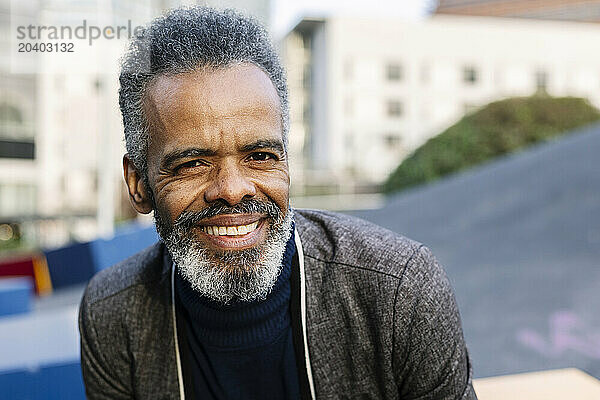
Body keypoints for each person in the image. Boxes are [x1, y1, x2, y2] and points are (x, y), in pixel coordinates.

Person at [79, 6, 477, 400]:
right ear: (139, 184)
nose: (233, 190)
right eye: (192, 163)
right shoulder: (112, 315)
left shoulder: (398, 292)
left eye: (260, 156)